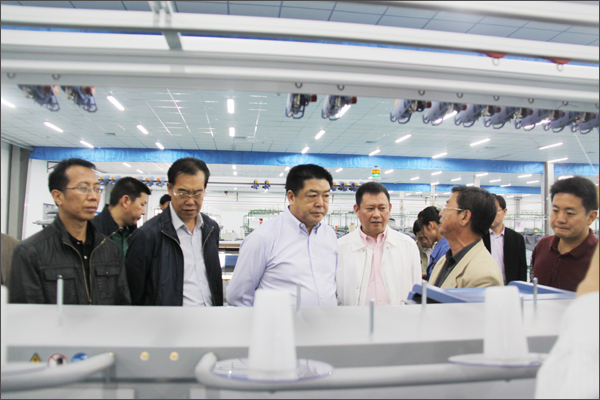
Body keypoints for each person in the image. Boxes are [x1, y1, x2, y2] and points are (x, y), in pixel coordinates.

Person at [9, 158, 131, 305]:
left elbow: (122, 306)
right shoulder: (30, 253)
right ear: (58, 196)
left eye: (96, 189)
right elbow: (27, 314)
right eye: (83, 188)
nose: (93, 197)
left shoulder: (110, 250)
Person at [227, 164, 338, 307]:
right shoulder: (263, 238)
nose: (320, 203)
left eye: (326, 196)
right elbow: (238, 297)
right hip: (279, 322)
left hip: (326, 320)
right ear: (291, 197)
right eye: (312, 196)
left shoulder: (329, 234)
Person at [125, 157, 222, 306]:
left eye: (197, 193)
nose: (190, 201)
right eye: (183, 193)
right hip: (168, 319)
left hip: (210, 316)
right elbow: (133, 294)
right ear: (170, 188)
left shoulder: (211, 229)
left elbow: (214, 280)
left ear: (204, 189)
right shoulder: (147, 236)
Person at [336, 182, 421, 306]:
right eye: (370, 208)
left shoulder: (408, 246)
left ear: (389, 209)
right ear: (357, 210)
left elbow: (416, 294)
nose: (376, 214)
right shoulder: (340, 248)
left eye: (382, 208)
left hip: (398, 317)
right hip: (354, 318)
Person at [531, 176, 598, 292]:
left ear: (591, 217)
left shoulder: (596, 256)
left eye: (570, 213)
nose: (560, 219)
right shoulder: (542, 245)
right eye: (555, 211)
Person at [429, 186, 503, 288]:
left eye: (446, 208)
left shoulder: (484, 275)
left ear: (465, 216)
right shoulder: (445, 261)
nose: (441, 213)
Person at [91, 177, 150, 259]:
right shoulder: (91, 231)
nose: (144, 212)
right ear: (125, 201)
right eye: (142, 204)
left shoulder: (133, 234)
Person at [482, 195, 527, 284]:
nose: (490, 214)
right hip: (484, 287)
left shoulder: (517, 239)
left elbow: (522, 271)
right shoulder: (478, 237)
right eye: (488, 211)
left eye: (494, 211)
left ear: (504, 212)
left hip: (509, 288)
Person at [418, 206, 450, 281]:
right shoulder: (442, 246)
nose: (424, 236)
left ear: (431, 226)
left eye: (423, 230)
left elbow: (442, 281)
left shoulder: (446, 250)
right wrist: (425, 275)